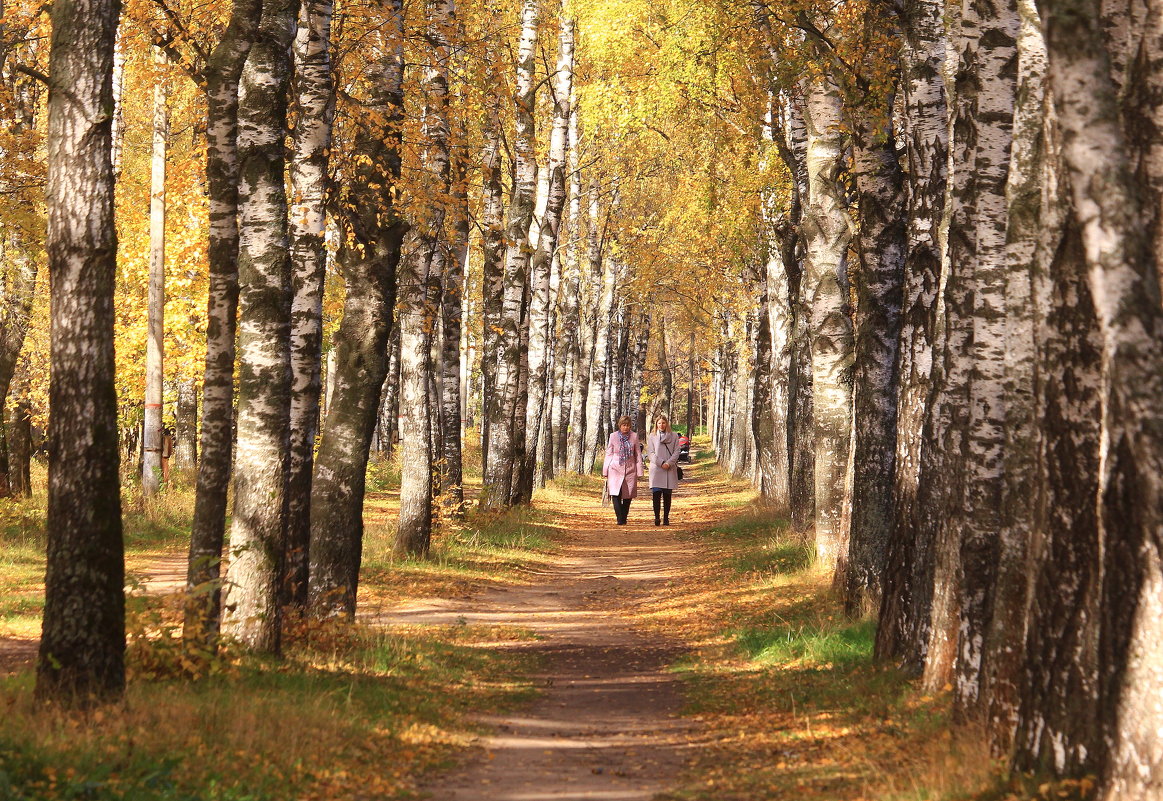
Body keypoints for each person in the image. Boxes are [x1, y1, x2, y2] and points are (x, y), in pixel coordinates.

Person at [602, 415, 643, 525]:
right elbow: (609, 453)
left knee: (628, 495)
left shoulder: (634, 436)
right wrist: (605, 470)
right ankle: (620, 518)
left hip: (630, 469)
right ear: (620, 425)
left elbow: (638, 454)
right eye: (624, 425)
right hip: (615, 468)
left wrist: (639, 471)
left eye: (628, 426)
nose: (626, 428)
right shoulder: (613, 436)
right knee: (615, 494)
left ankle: (624, 517)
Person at [647, 415, 681, 526]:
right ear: (656, 424)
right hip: (656, 469)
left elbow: (677, 451)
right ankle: (657, 517)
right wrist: (661, 463)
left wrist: (669, 463)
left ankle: (666, 518)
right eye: (659, 423)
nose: (661, 425)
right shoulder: (652, 436)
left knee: (667, 495)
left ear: (667, 424)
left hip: (669, 469)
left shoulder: (674, 436)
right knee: (656, 494)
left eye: (663, 423)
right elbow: (650, 453)